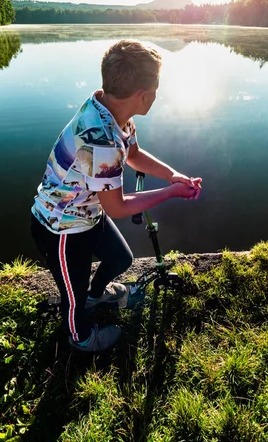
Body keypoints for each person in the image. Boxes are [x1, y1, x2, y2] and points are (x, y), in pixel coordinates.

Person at [30, 40, 202, 353]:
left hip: (87, 213)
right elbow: (119, 208)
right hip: (61, 228)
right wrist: (171, 193)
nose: (157, 94)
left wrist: (172, 175)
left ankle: (98, 295)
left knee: (121, 258)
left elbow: (134, 154)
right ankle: (81, 338)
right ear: (143, 94)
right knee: (74, 297)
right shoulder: (102, 140)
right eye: (156, 87)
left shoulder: (112, 110)